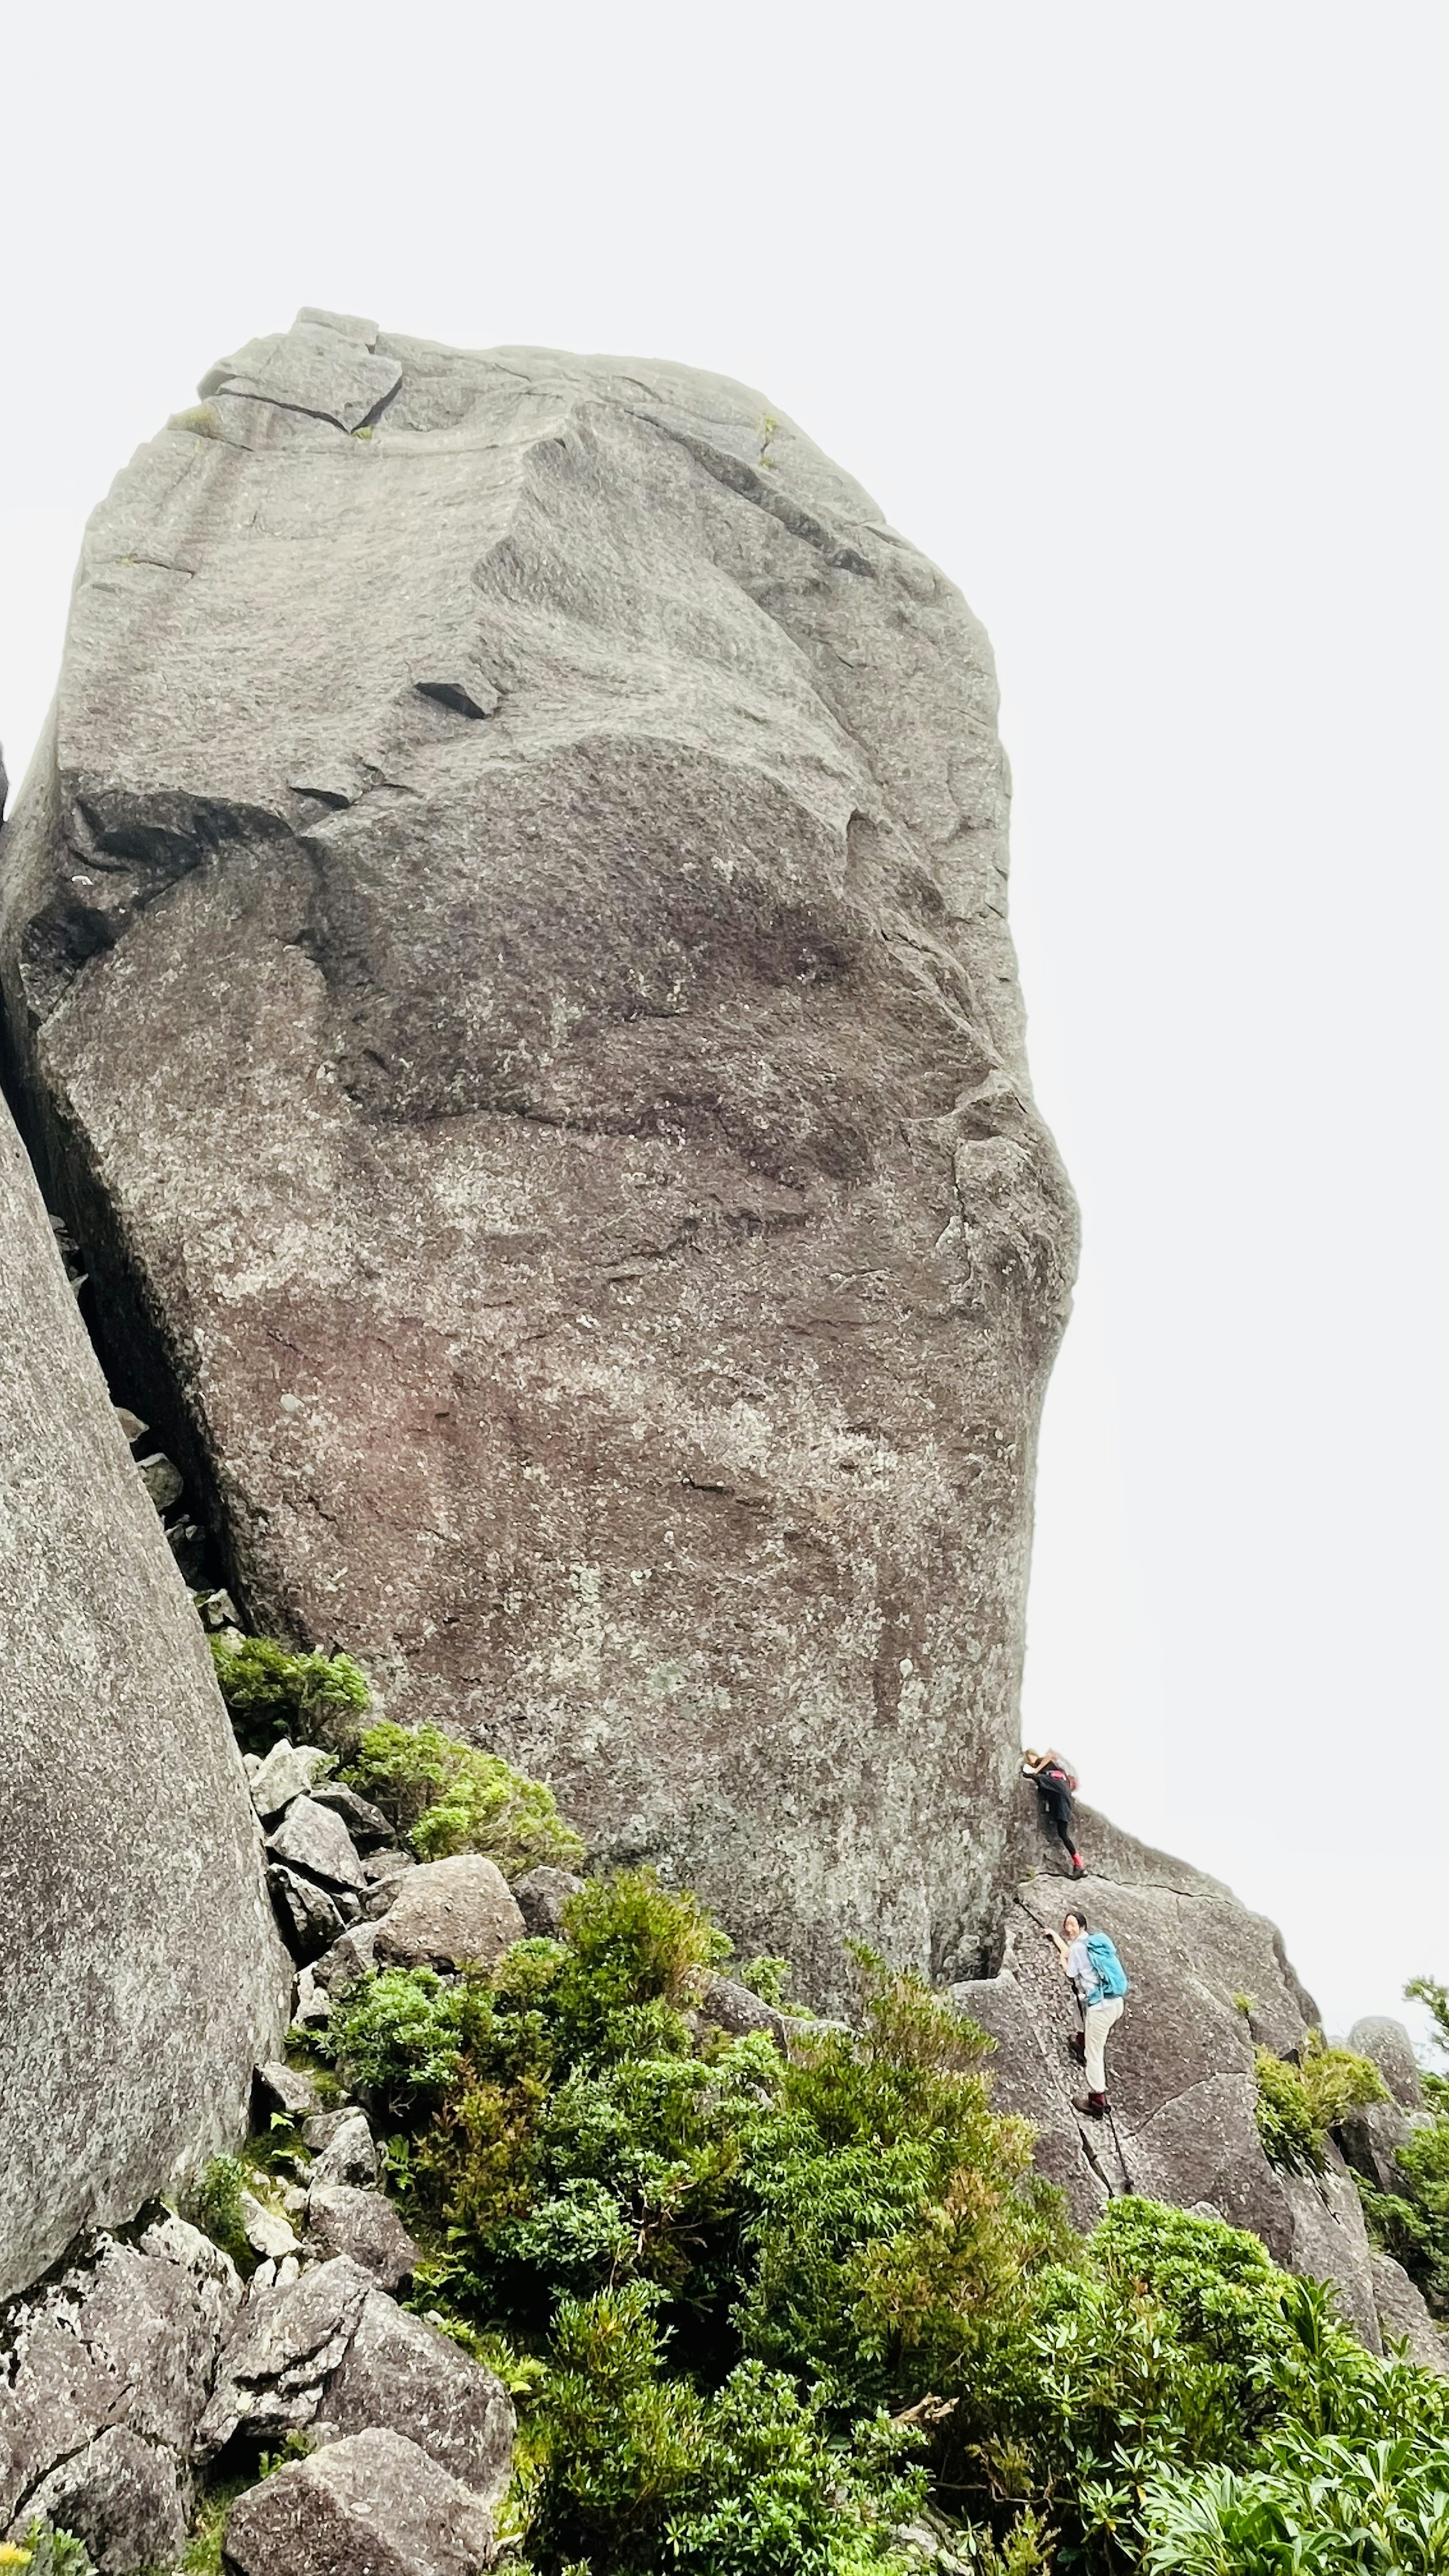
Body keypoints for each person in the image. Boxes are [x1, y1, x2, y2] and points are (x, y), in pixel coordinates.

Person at [1049, 1908, 1128, 2119]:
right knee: (1082, 2007)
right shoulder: (1092, 1943)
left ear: (1082, 1926)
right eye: (1066, 1925)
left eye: (1072, 1924)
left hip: (1102, 2008)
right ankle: (1082, 2040)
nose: (1069, 1928)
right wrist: (1055, 1937)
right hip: (1115, 2002)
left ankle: (1097, 2101)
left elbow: (1071, 1973)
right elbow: (1073, 1954)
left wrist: (1063, 1963)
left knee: (1094, 2055)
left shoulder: (1078, 1949)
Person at [1022, 1748, 1084, 1877]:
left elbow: (1050, 1756)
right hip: (1060, 1793)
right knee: (1063, 1833)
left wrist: (1036, 1771)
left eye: (1030, 1758)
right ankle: (1079, 1864)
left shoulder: (1044, 1762)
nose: (1029, 1762)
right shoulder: (1048, 1771)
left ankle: (1080, 1864)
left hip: (1057, 1784)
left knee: (1034, 1778)